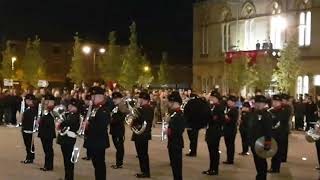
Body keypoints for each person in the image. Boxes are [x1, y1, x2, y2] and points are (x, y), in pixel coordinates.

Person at [86, 86, 110, 180]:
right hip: (94, 140)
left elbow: (101, 126)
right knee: (96, 163)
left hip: (99, 141)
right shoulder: (95, 108)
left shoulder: (103, 109)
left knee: (99, 164)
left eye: (93, 96)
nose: (91, 98)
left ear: (100, 97)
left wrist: (88, 125)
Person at [248, 95, 272, 180]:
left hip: (262, 142)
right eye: (257, 103)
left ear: (264, 104)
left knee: (261, 161)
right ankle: (259, 176)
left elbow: (268, 130)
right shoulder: (253, 113)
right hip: (253, 141)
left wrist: (268, 143)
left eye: (261, 103)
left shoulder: (267, 114)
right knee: (257, 161)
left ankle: (262, 177)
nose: (259, 105)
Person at [56, 98, 81, 180]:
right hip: (65, 140)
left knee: (69, 160)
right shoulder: (69, 114)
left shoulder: (76, 116)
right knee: (66, 160)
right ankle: (67, 177)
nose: (69, 107)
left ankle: (69, 177)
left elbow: (70, 123)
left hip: (69, 140)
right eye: (69, 105)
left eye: (72, 106)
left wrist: (61, 122)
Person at [132, 91, 154, 178]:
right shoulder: (142, 108)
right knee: (140, 154)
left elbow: (144, 123)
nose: (138, 100)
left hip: (143, 134)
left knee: (143, 154)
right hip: (139, 134)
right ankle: (143, 171)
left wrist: (135, 122)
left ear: (143, 99)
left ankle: (146, 172)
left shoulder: (147, 109)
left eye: (139, 98)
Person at [202, 91, 224, 176]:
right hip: (211, 131)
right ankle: (212, 168)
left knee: (214, 151)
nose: (211, 99)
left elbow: (218, 120)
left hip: (215, 132)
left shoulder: (219, 108)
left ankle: (214, 169)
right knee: (211, 151)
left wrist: (211, 119)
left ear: (216, 98)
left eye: (212, 97)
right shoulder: (213, 107)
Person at [167, 91, 186, 180]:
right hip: (173, 143)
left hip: (176, 143)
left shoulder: (179, 114)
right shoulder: (174, 113)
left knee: (177, 166)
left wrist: (168, 130)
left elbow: (178, 130)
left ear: (175, 102)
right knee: (174, 166)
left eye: (170, 102)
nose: (168, 104)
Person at [38, 94, 56, 171]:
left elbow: (53, 120)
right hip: (43, 132)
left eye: (48, 101)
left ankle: (48, 165)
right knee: (46, 149)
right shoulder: (43, 109)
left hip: (49, 132)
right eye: (46, 101)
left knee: (48, 150)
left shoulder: (53, 110)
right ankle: (47, 164)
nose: (46, 102)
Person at [110, 92, 126, 169]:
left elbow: (122, 117)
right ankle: (119, 162)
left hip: (118, 129)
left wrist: (112, 120)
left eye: (116, 98)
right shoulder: (115, 106)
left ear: (120, 99)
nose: (114, 100)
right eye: (113, 98)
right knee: (117, 146)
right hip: (114, 129)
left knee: (119, 147)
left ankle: (119, 163)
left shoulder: (122, 106)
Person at [268, 94, 284, 173]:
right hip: (272, 134)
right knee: (273, 151)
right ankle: (273, 167)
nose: (275, 103)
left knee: (278, 152)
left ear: (280, 102)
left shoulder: (284, 110)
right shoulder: (270, 111)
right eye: (273, 101)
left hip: (281, 134)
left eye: (277, 101)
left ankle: (276, 168)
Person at [20, 94, 37, 164]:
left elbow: (31, 120)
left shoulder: (32, 109)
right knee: (28, 144)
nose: (26, 101)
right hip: (25, 128)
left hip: (28, 129)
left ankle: (30, 158)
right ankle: (29, 157)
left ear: (31, 101)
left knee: (29, 144)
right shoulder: (28, 108)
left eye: (27, 100)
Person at [223, 95, 239, 164]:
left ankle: (230, 159)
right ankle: (229, 158)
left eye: (230, 101)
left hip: (231, 130)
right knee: (228, 145)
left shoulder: (234, 110)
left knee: (230, 145)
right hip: (227, 129)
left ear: (234, 102)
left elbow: (233, 120)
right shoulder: (228, 109)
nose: (228, 102)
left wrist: (226, 117)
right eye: (228, 101)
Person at [281, 94, 292, 163]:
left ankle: (283, 157)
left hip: (284, 128)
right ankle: (281, 156)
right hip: (280, 128)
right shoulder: (281, 107)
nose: (283, 101)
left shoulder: (288, 107)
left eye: (284, 100)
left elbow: (285, 117)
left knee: (284, 143)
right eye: (282, 100)